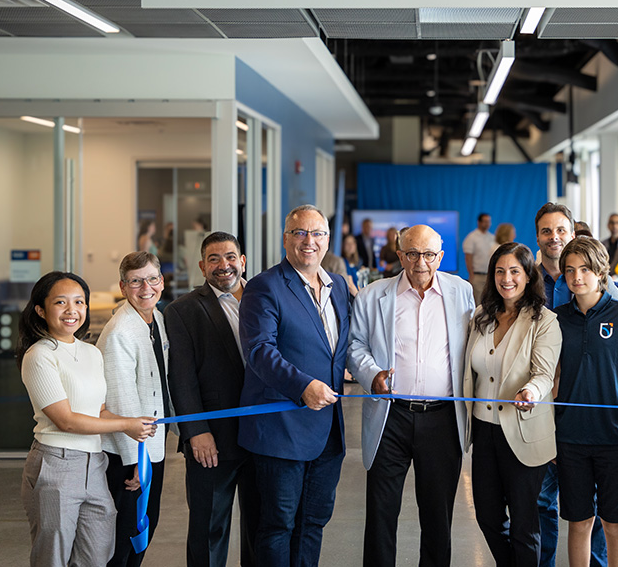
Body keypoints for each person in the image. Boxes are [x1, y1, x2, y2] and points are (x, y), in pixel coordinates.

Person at [347, 224, 475, 567]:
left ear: (441, 257)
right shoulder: (374, 296)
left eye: (429, 254)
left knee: (437, 515)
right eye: (413, 253)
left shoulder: (461, 292)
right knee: (381, 511)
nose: (421, 262)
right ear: (400, 255)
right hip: (391, 417)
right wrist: (371, 374)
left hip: (443, 418)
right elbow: (355, 345)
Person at [238, 205, 351, 567]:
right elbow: (259, 351)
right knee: (278, 525)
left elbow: (341, 351)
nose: (309, 241)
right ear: (286, 239)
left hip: (328, 431)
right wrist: (302, 386)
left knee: (313, 521)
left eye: (317, 234)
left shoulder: (338, 289)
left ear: (328, 240)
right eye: (300, 233)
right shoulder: (264, 287)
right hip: (281, 431)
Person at [18, 271, 156, 567]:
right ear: (41, 310)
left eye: (79, 302)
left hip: (95, 465)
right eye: (61, 302)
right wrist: (125, 425)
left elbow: (100, 411)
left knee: (97, 553)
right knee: (52, 556)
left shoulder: (91, 353)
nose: (72, 310)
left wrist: (135, 426)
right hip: (55, 464)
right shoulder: (39, 355)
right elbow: (65, 420)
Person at [554, 237, 618, 567]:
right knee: (579, 522)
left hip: (617, 438)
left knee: (615, 524)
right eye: (569, 270)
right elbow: (551, 377)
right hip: (569, 439)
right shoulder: (555, 319)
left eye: (584, 269)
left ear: (601, 272)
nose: (577, 277)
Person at [463, 242, 562, 566]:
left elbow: (544, 373)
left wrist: (532, 392)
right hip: (484, 431)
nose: (507, 278)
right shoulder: (481, 316)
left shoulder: (544, 320)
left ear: (528, 275)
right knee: (488, 518)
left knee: (524, 525)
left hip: (523, 432)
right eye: (500, 271)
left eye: (514, 271)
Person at [165, 232, 260, 567]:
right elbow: (182, 378)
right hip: (213, 441)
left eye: (231, 257)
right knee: (209, 530)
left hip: (265, 436)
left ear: (242, 261)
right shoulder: (182, 310)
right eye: (215, 259)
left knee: (261, 531)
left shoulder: (264, 298)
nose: (224, 265)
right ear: (203, 267)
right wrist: (196, 431)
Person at [532, 202, 613, 567]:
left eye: (561, 230)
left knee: (589, 506)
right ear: (538, 236)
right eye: (547, 231)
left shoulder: (601, 285)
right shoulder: (527, 280)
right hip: (540, 409)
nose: (554, 238)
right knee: (540, 501)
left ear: (573, 232)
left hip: (585, 413)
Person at [99, 252, 172, 567]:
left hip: (151, 444)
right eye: (135, 281)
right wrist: (135, 463)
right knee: (127, 533)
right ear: (123, 286)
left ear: (162, 281)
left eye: (152, 279)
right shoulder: (120, 332)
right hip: (129, 455)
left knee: (145, 526)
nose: (146, 288)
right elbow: (120, 399)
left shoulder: (157, 317)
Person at [463, 212, 496, 304]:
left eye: (488, 222)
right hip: (477, 276)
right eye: (485, 221)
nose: (487, 224)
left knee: (490, 301)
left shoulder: (492, 238)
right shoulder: (472, 237)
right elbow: (468, 257)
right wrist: (471, 274)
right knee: (478, 302)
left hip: (490, 276)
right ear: (479, 222)